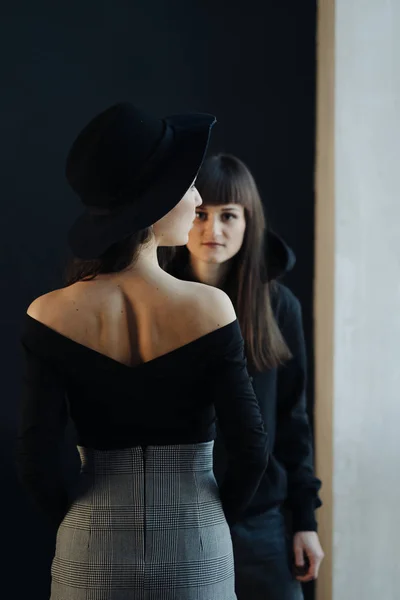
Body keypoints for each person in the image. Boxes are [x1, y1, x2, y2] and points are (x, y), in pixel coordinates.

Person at [16, 105, 269, 600]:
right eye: (188, 187)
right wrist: (213, 515)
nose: (197, 199)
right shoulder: (211, 308)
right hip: (197, 540)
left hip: (89, 543)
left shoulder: (48, 313)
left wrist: (80, 516)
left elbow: (36, 461)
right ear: (153, 203)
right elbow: (251, 450)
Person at [164, 153, 324, 600]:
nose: (213, 230)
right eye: (200, 214)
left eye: (228, 216)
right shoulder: (157, 299)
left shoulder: (278, 307)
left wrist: (305, 522)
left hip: (261, 523)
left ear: (249, 221)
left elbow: (293, 420)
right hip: (181, 517)